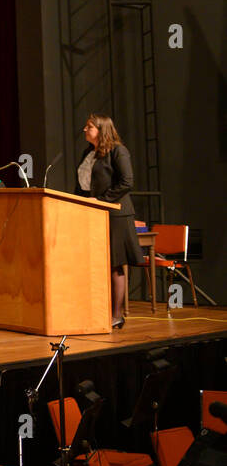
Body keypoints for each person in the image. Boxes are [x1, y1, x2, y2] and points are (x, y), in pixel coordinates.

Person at [77, 114, 142, 329]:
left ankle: (116, 314)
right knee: (96, 264)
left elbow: (127, 182)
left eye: (89, 127)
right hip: (92, 213)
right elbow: (85, 184)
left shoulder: (117, 151)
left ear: (102, 129)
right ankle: (97, 311)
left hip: (115, 214)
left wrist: (102, 201)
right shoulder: (89, 153)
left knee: (115, 264)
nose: (85, 130)